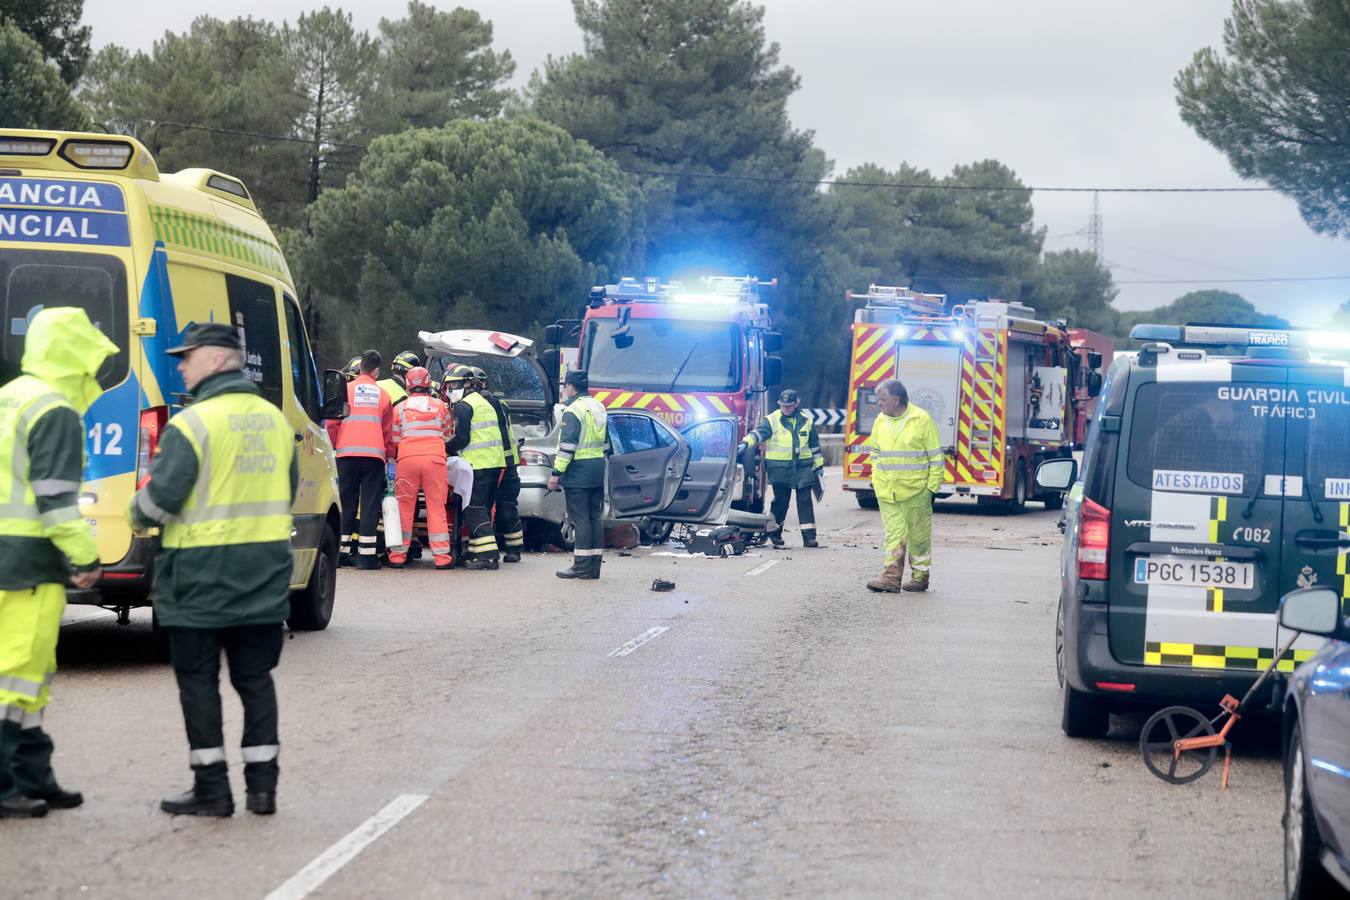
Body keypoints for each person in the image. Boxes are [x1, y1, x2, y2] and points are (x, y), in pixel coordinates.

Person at [128, 322, 297, 817]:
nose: (181, 365)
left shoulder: (192, 424)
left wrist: (133, 511)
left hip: (198, 579)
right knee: (255, 681)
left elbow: (158, 503)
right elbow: (284, 494)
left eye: (188, 356)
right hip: (263, 575)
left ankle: (212, 791)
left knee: (198, 684)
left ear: (219, 359)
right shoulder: (273, 420)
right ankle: (263, 791)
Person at [0, 308, 115, 819]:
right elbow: (57, 503)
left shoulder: (10, 396)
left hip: (13, 557)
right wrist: (87, 556)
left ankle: (33, 776)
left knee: (28, 672)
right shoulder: (56, 411)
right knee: (17, 673)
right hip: (27, 559)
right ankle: (6, 786)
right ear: (76, 357)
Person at [864, 379, 944, 593]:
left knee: (918, 538)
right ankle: (890, 578)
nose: (879, 404)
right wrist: (876, 478)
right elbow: (875, 453)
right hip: (886, 490)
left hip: (916, 492)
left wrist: (931, 489)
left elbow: (936, 458)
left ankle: (920, 577)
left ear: (895, 400)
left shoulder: (921, 420)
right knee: (894, 534)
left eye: (882, 399)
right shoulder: (881, 420)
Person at [740, 388, 824, 548]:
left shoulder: (806, 421)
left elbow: (815, 447)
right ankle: (774, 533)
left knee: (805, 501)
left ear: (796, 404)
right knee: (781, 502)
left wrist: (819, 467)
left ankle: (809, 537)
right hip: (780, 468)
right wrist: (746, 443)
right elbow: (758, 434)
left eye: (788, 406)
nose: (785, 408)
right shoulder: (772, 419)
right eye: (782, 405)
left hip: (803, 468)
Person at [387, 367, 454, 569]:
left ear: (408, 385)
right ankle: (442, 558)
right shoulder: (441, 406)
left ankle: (397, 556)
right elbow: (448, 434)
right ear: (428, 383)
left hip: (407, 459)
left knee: (404, 507)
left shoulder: (399, 408)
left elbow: (395, 438)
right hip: (435, 459)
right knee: (436, 506)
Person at [334, 350, 394, 569]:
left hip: (346, 454)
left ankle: (340, 554)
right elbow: (387, 432)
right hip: (373, 457)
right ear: (377, 371)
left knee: (346, 502)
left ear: (360, 367)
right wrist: (390, 456)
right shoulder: (384, 395)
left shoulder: (345, 389)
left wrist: (334, 445)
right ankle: (366, 557)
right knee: (369, 505)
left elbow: (333, 422)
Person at [548, 370, 610, 579]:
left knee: (580, 519)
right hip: (597, 468)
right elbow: (607, 443)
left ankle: (581, 565)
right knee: (594, 518)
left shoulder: (573, 410)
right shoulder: (599, 407)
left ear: (571, 388)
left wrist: (556, 474)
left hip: (578, 471)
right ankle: (594, 567)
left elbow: (567, 447)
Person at [445, 365, 505, 570]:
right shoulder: (483, 402)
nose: (450, 389)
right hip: (494, 462)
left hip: (478, 464)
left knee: (473, 509)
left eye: (453, 385)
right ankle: (476, 551)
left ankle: (488, 556)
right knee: (484, 509)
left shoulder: (464, 405)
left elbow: (462, 438)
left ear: (466, 384)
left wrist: (444, 447)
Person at [480, 370, 524, 562]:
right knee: (505, 507)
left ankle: (512, 549)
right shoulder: (501, 404)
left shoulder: (487, 405)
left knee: (503, 507)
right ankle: (512, 549)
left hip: (500, 463)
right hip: (504, 462)